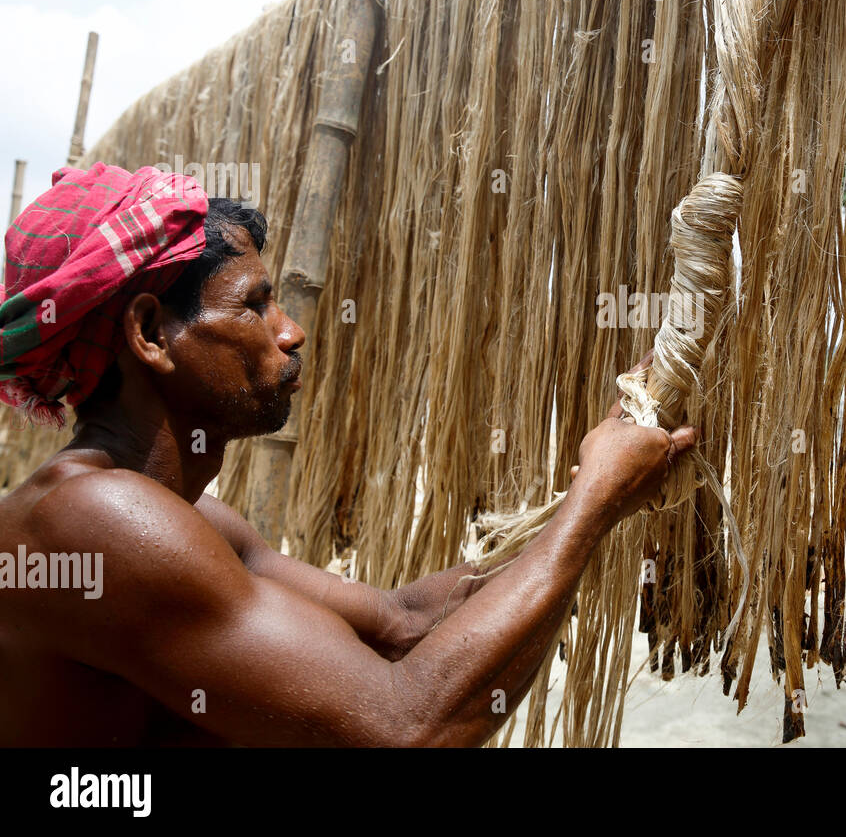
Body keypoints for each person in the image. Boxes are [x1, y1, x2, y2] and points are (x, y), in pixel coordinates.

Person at [0, 162, 695, 746]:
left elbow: (401, 623)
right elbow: (404, 727)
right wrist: (593, 508)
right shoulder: (94, 519)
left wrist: (590, 496)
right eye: (254, 306)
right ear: (151, 332)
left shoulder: (191, 520)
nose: (292, 332)